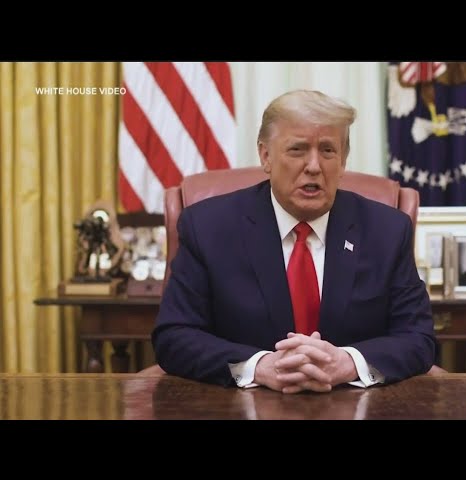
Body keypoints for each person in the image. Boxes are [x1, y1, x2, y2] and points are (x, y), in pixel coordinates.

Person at [153, 90, 436, 394]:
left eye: (327, 150)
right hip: (242, 403)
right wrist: (258, 367)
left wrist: (348, 363)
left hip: (354, 401)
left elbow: (418, 338)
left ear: (343, 160)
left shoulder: (386, 230)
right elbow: (174, 336)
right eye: (297, 150)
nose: (314, 166)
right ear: (266, 156)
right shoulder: (208, 227)